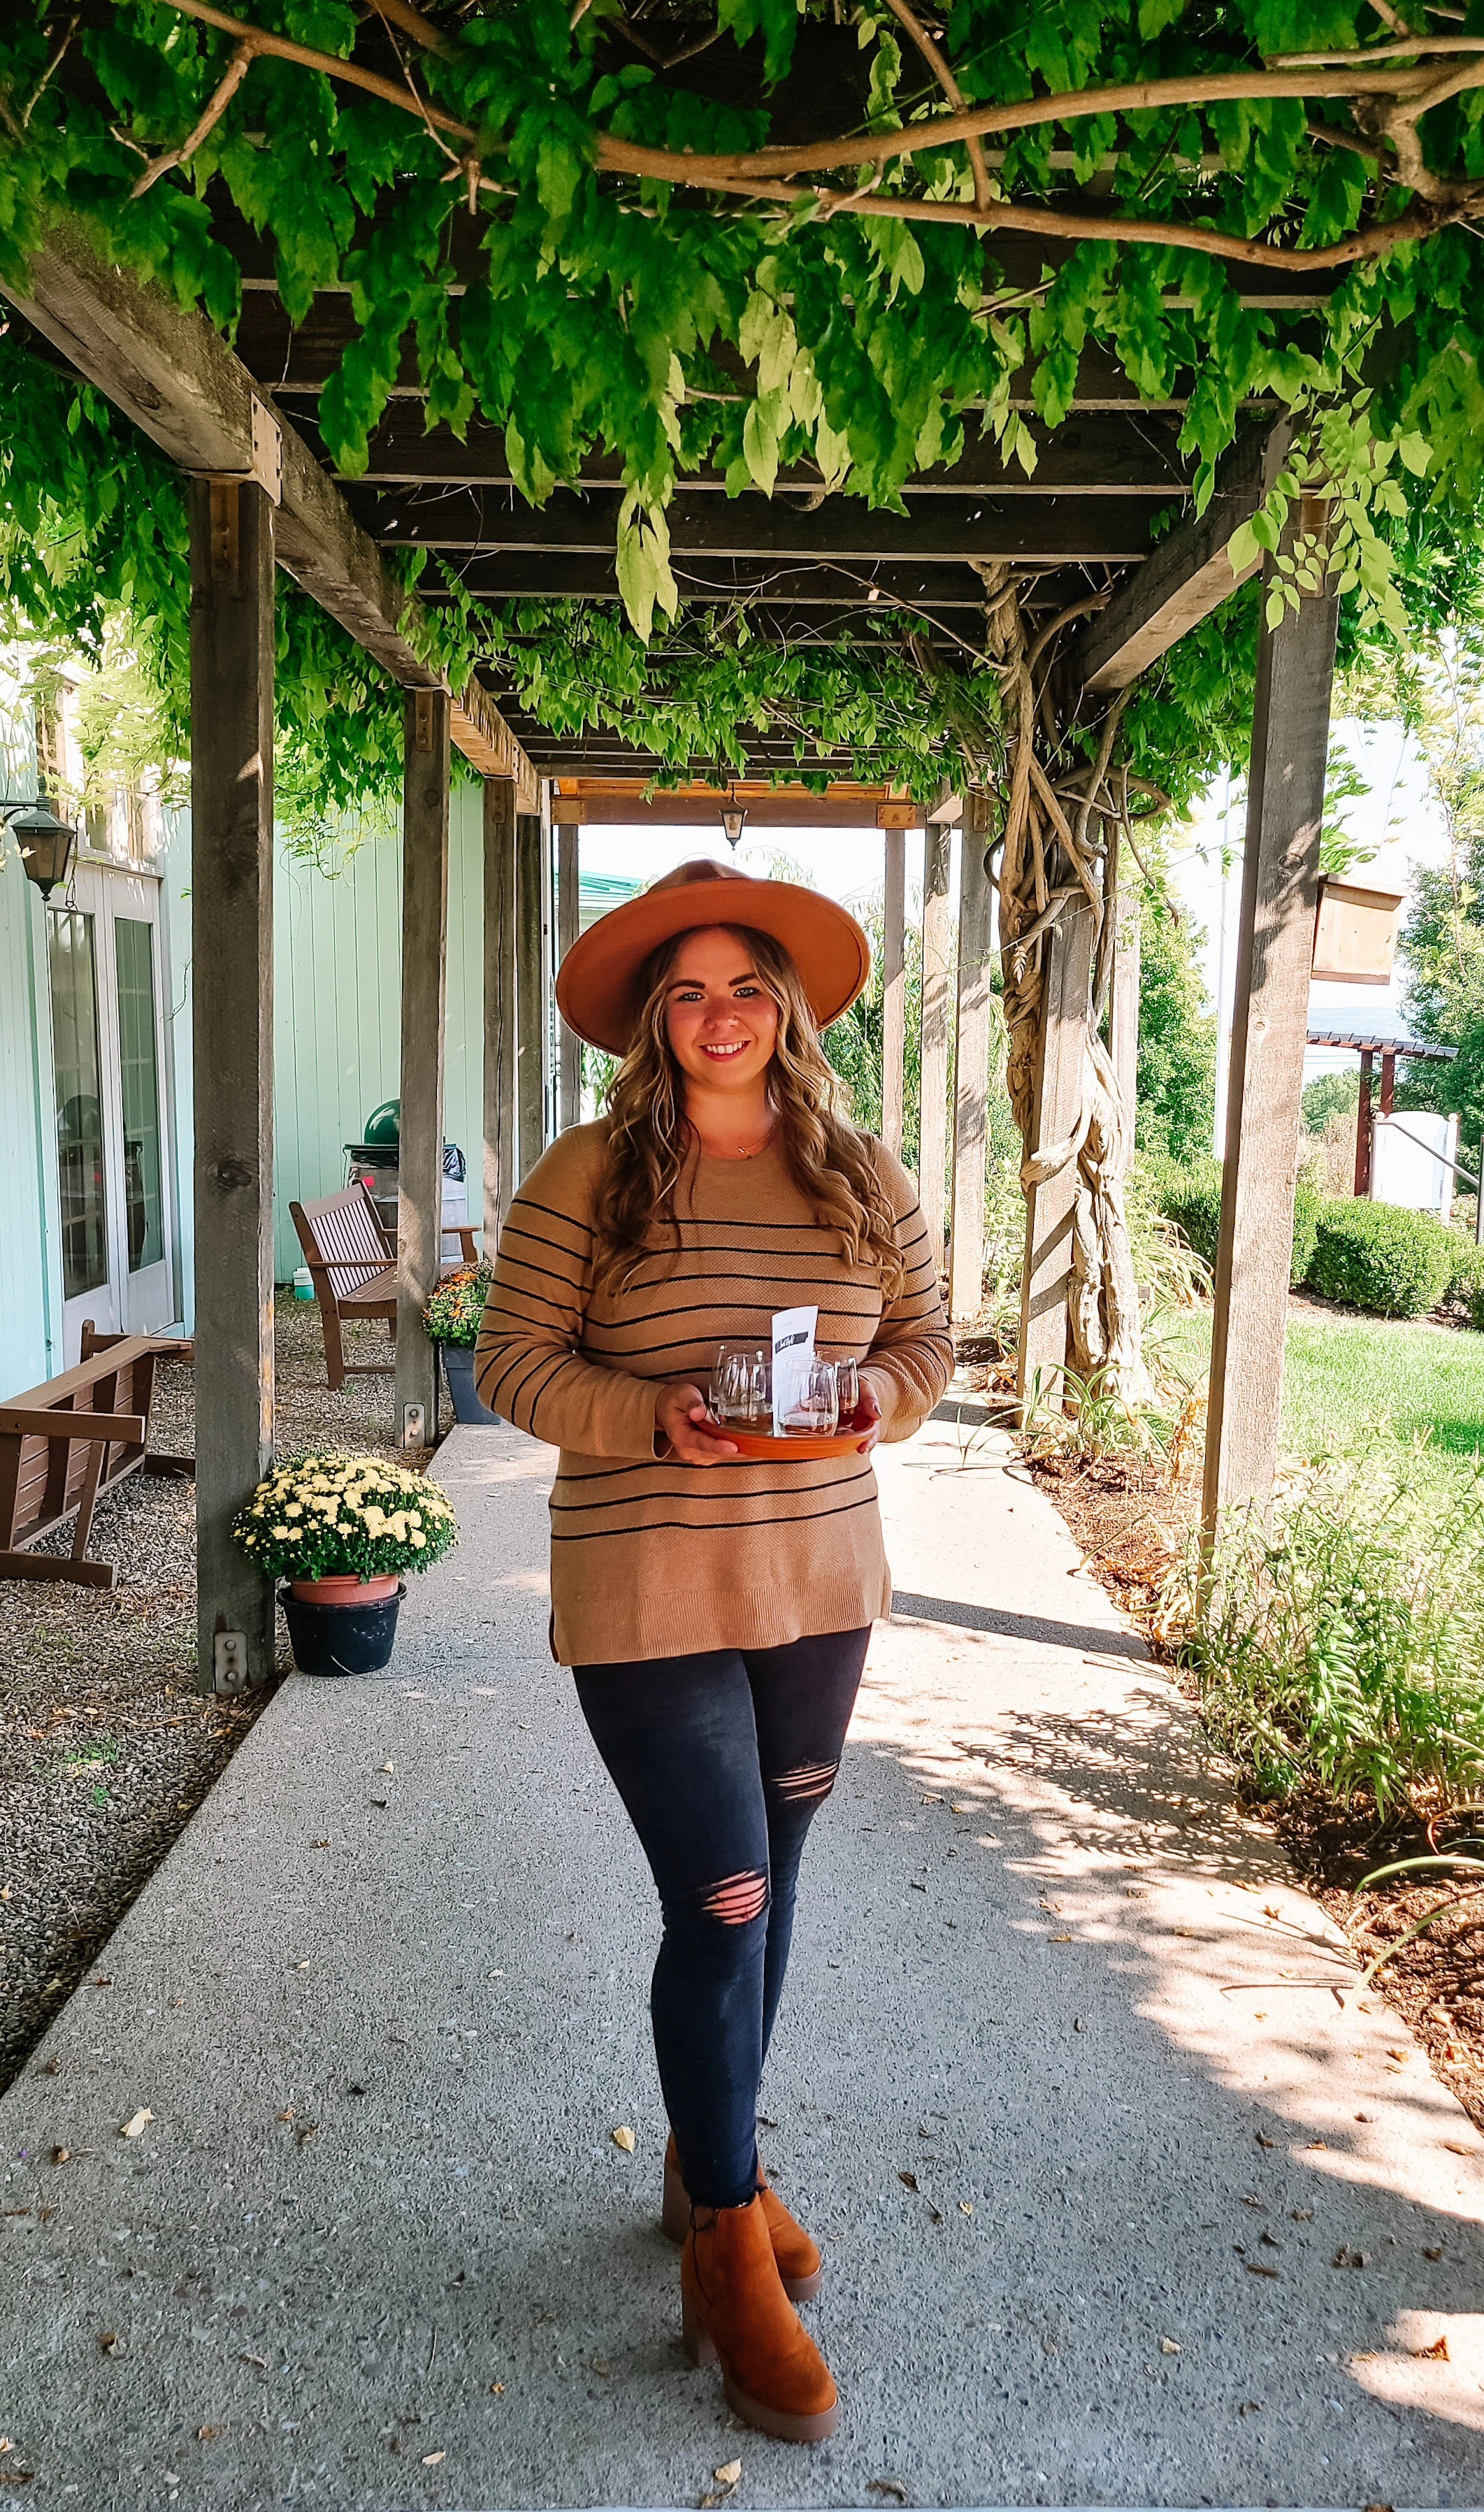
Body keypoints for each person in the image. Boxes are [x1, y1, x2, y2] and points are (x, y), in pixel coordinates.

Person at [475, 858, 951, 2443]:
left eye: (747, 985)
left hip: (820, 1576)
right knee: (724, 1894)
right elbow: (514, 1363)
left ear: (788, 1008)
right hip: (651, 1574)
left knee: (782, 1883)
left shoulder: (855, 1167)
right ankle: (727, 2249)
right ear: (652, 1021)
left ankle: (709, 2158)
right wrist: (651, 1418)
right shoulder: (591, 1172)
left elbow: (926, 1339)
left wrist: (874, 1401)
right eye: (687, 990)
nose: (720, 1014)